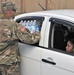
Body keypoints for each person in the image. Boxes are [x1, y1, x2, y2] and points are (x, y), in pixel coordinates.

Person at [0, 1, 40, 75]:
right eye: (14, 11)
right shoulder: (15, 26)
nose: (15, 14)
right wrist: (38, 33)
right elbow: (30, 39)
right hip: (9, 64)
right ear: (10, 11)